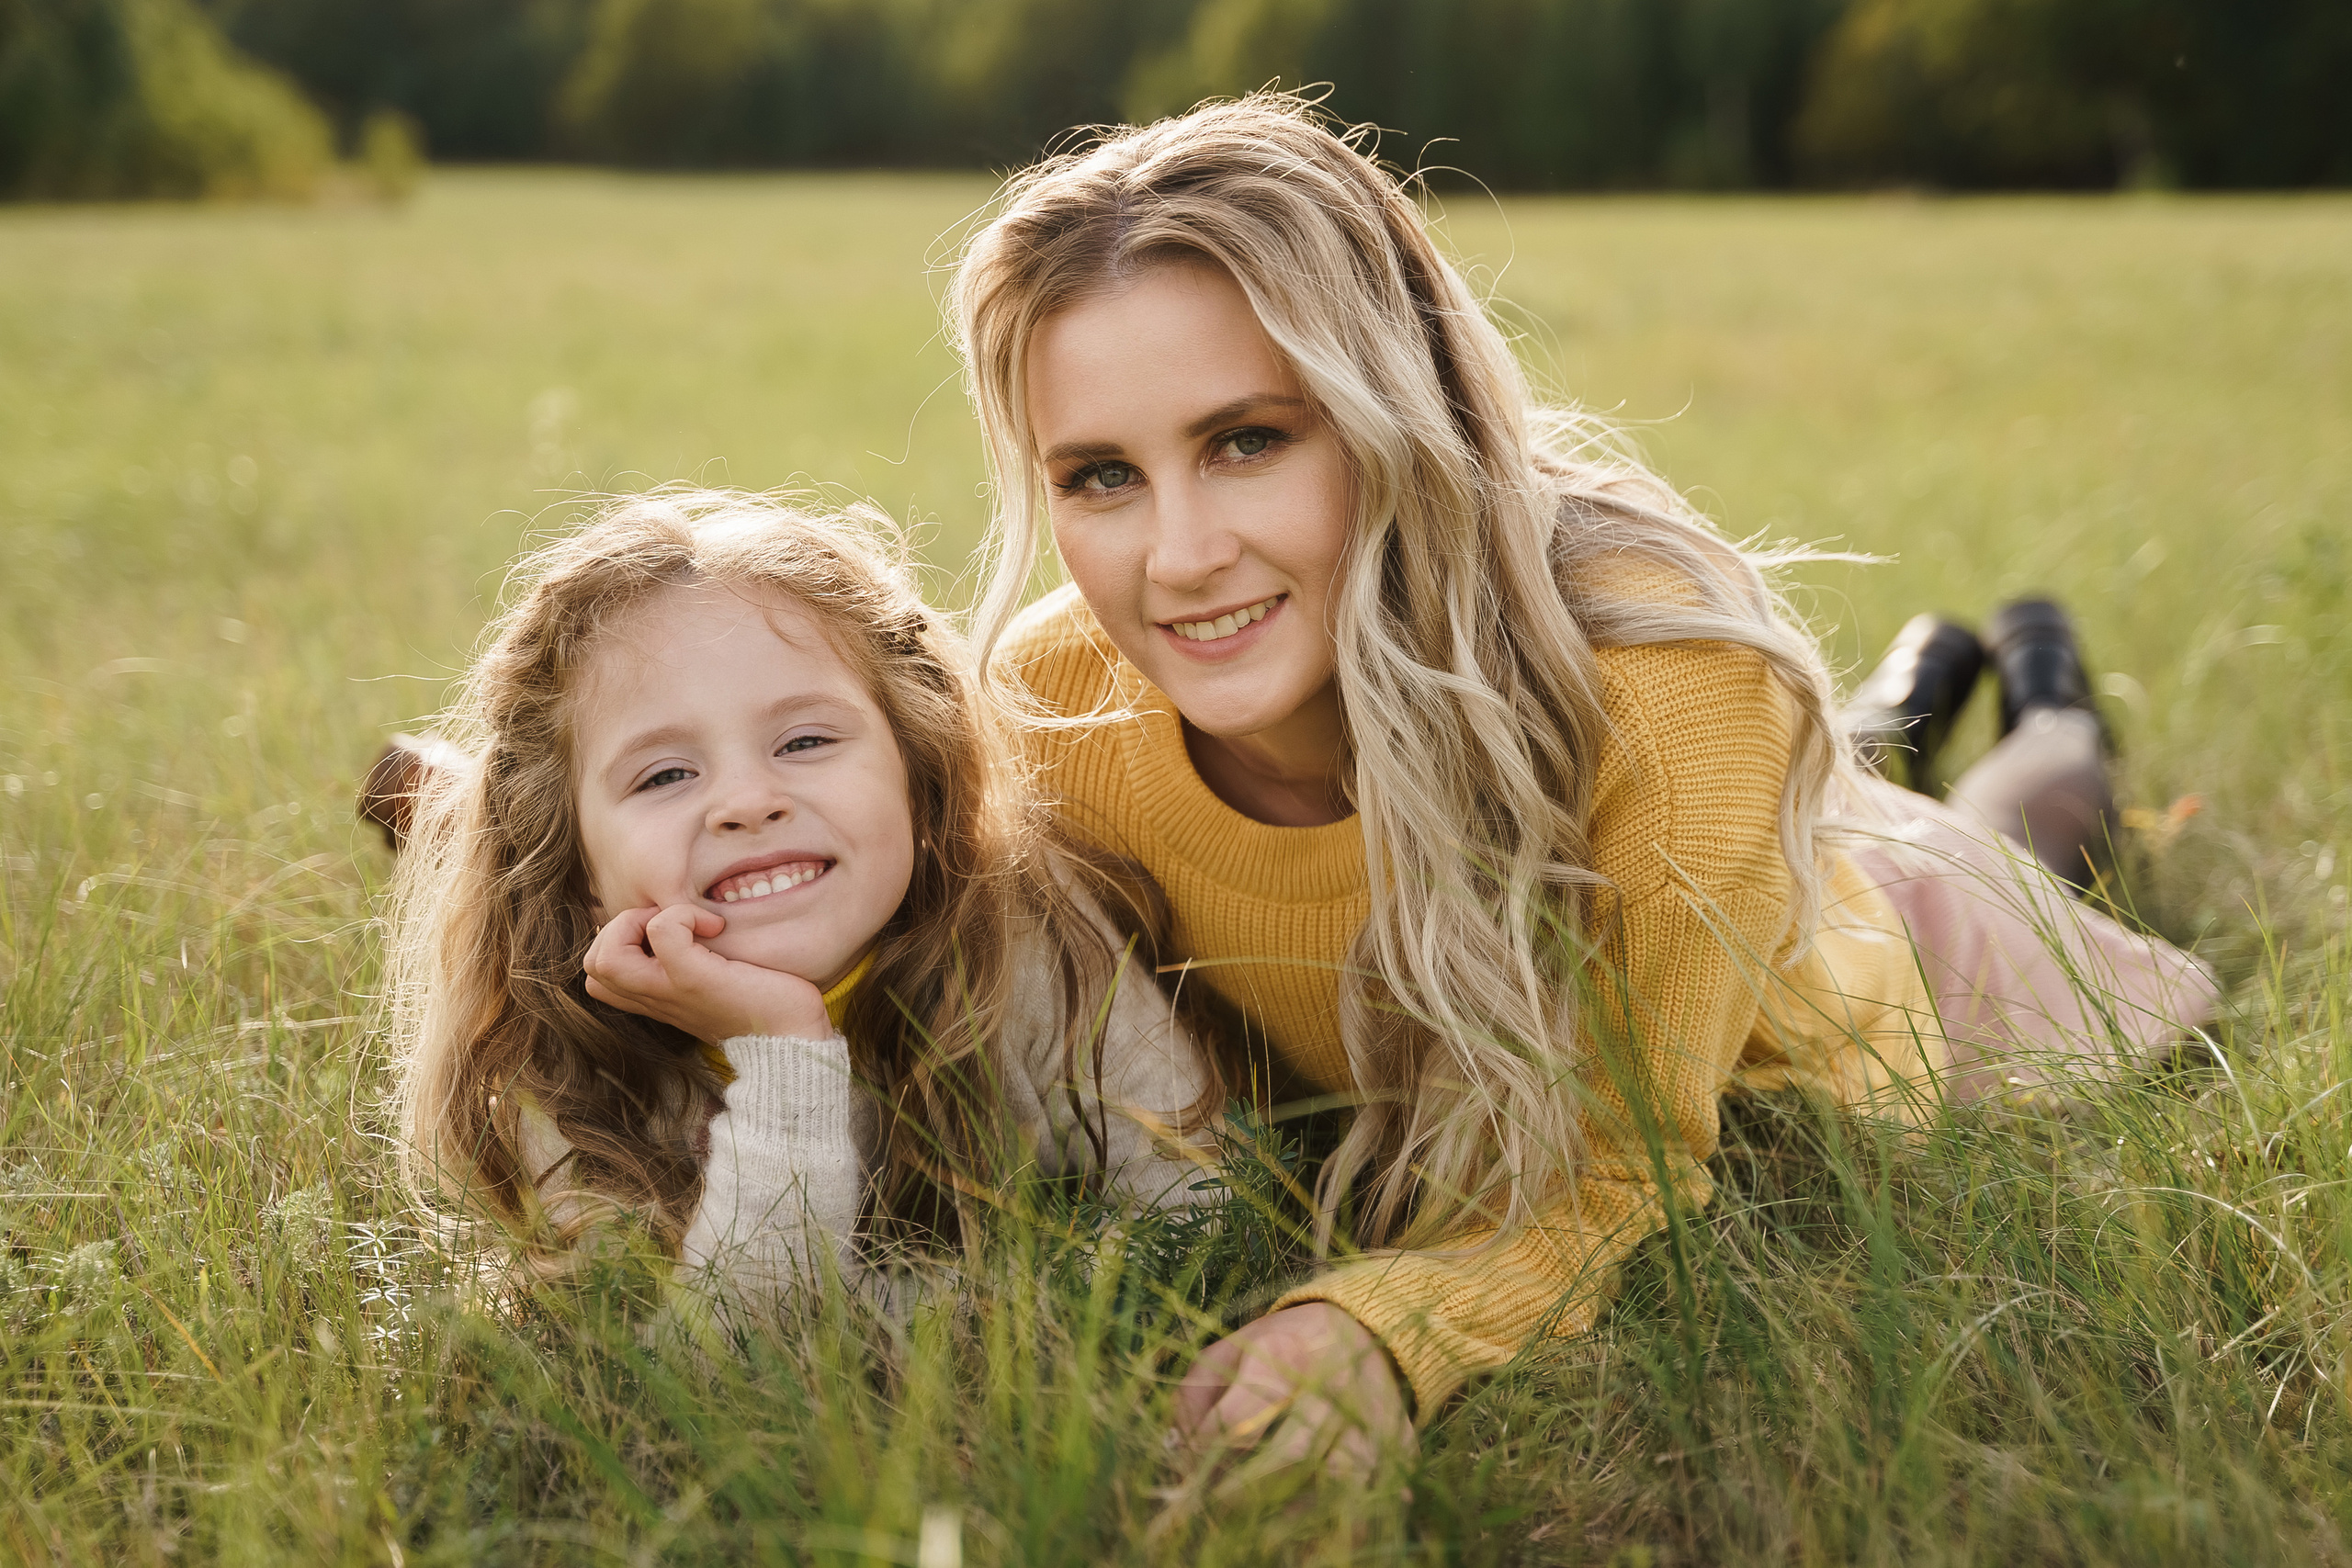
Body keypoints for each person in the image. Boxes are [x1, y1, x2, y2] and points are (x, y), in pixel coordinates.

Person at [950, 93, 2217, 1472]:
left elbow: (1622, 1167)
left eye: (1249, 440)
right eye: (1101, 475)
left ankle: (2041, 669)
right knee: (1854, 764)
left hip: (1849, 962)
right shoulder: (1056, 700)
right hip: (1738, 819)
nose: (1179, 555)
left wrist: (1391, 1326)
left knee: (2006, 832)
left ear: (1395, 414)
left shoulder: (1670, 696)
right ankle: (1916, 683)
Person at [384, 490, 1223, 1296]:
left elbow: (1209, 1214)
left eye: (806, 739)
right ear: (573, 868)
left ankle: (445, 799)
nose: (750, 801)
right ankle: (449, 811)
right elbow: (741, 1366)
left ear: (919, 770)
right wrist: (784, 1051)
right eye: (666, 773)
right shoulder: (561, 1056)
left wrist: (896, 1313)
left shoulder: (1027, 925)